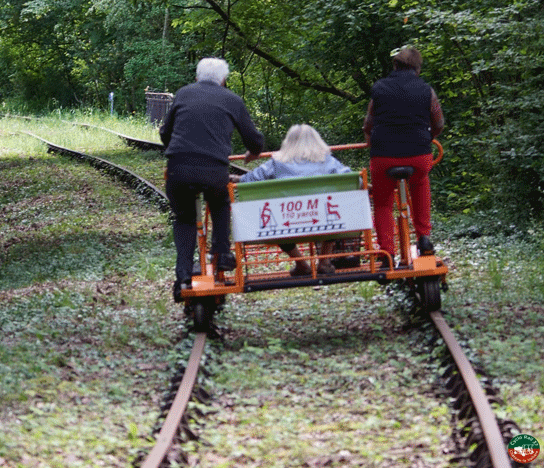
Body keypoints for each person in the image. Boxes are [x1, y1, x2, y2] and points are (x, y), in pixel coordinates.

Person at [160, 57, 264, 302]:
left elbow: (165, 132)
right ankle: (223, 253)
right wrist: (253, 153)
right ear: (224, 80)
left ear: (197, 77)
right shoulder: (232, 100)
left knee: (184, 218)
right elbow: (254, 140)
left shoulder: (183, 94)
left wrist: (176, 150)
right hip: (213, 169)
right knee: (219, 202)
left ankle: (184, 273)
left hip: (179, 168)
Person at [363, 46, 445, 267]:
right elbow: (438, 123)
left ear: (395, 65)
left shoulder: (379, 89)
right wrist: (428, 138)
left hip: (383, 156)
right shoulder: (426, 90)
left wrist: (370, 140)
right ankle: (424, 239)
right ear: (417, 69)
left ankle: (386, 253)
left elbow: (368, 124)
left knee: (382, 202)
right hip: (419, 155)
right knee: (420, 184)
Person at [232, 124, 351, 276]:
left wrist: (238, 178)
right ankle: (324, 261)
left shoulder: (276, 163)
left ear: (288, 142)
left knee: (277, 217)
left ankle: (301, 263)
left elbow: (249, 180)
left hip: (288, 224)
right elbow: (354, 180)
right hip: (324, 222)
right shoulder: (328, 161)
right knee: (334, 213)